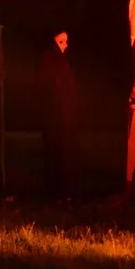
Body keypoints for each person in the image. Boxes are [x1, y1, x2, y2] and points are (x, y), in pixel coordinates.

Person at [35, 28, 79, 198]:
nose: (65, 46)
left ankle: (65, 189)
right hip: (52, 115)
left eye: (66, 42)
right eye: (61, 42)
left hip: (65, 115)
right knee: (53, 150)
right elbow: (45, 87)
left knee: (65, 150)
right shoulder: (47, 62)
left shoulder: (64, 63)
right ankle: (53, 190)